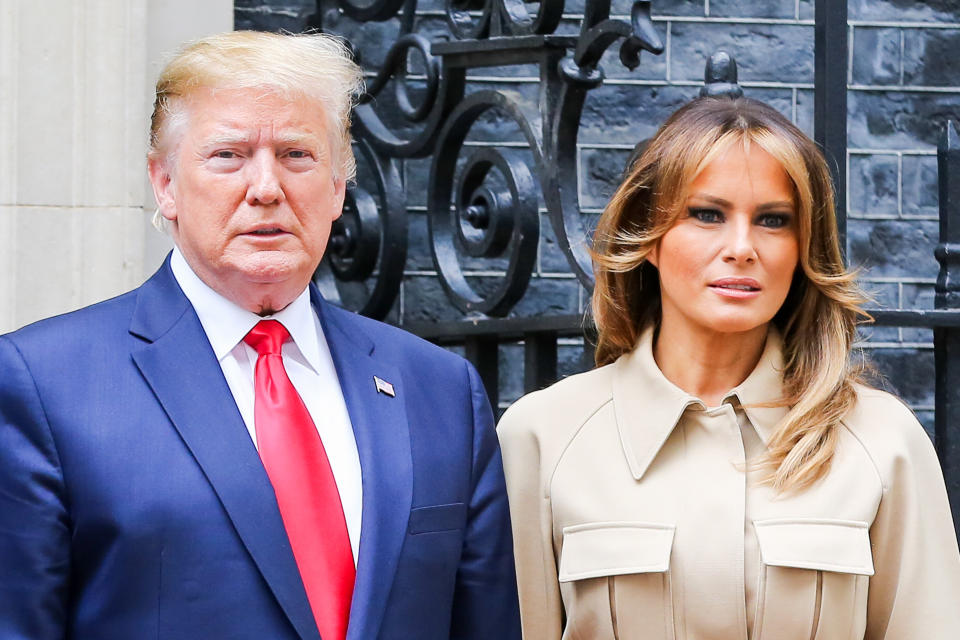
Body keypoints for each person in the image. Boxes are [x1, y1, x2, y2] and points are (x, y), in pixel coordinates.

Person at [0, 31, 520, 640]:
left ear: (335, 187)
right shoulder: (44, 383)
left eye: (297, 155)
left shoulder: (439, 390)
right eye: (229, 155)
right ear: (164, 183)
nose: (267, 187)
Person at [497, 95, 960, 639]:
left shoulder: (883, 441)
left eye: (773, 220)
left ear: (803, 245)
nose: (741, 248)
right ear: (649, 234)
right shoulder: (542, 436)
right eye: (707, 214)